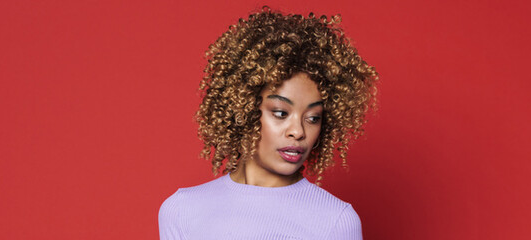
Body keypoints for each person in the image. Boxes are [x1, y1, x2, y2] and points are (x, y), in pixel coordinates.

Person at [157, 7, 378, 240]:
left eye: (313, 118)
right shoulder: (182, 211)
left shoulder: (335, 221)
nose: (298, 132)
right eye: (281, 113)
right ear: (246, 109)